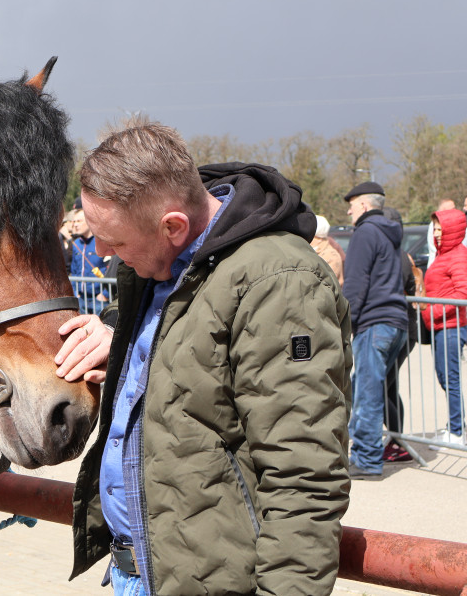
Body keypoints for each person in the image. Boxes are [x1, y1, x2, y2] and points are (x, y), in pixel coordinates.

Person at [54, 116, 352, 596]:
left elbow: (304, 474)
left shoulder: (279, 284)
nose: (103, 252)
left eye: (116, 241)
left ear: (173, 226)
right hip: (143, 571)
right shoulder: (164, 266)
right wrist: (117, 330)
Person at [343, 182, 408, 478]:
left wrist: (346, 323)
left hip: (375, 322)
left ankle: (367, 459)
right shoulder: (389, 232)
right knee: (369, 388)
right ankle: (365, 452)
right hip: (395, 321)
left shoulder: (365, 232)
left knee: (367, 394)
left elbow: (356, 283)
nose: (349, 211)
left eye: (351, 205)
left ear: (364, 205)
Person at [421, 208, 467, 446]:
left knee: (450, 379)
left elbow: (462, 293)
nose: (436, 233)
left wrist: (432, 311)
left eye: (440, 229)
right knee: (445, 377)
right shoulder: (444, 254)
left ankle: (457, 431)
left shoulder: (457, 256)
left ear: (453, 230)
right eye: (435, 229)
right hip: (442, 326)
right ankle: (456, 426)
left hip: (451, 326)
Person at [380, 206, 419, 463]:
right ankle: (396, 440)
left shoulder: (397, 256)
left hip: (401, 329)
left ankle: (397, 441)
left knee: (382, 386)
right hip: (402, 329)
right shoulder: (396, 254)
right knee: (388, 386)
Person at [68, 208, 110, 315]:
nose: (75, 225)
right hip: (81, 298)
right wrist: (75, 291)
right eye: (74, 222)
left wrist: (105, 294)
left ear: (89, 221)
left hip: (99, 299)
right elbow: (74, 270)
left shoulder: (102, 242)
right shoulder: (76, 244)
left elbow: (111, 269)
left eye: (79, 221)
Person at [312, 214, 344, 285]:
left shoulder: (331, 256)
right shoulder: (310, 252)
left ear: (319, 238)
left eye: (312, 236)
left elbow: (326, 284)